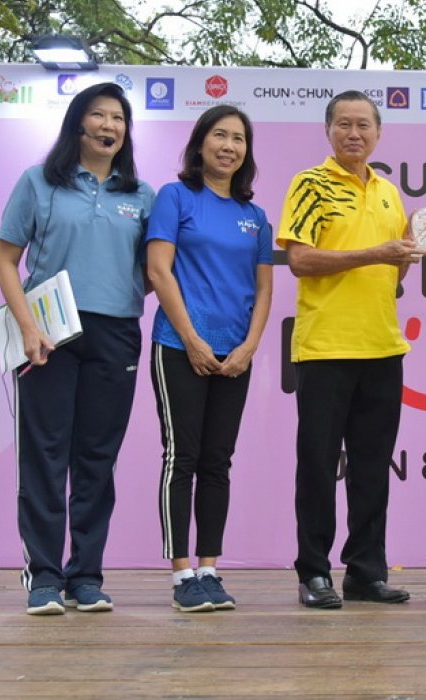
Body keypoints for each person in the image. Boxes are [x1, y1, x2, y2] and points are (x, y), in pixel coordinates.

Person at [0, 83, 155, 615]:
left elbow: (155, 273)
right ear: (77, 125)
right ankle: (43, 575)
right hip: (47, 334)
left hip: (117, 333)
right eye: (99, 115)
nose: (110, 126)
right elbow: (5, 262)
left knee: (96, 458)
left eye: (119, 118)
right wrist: (29, 327)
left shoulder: (142, 195)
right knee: (44, 454)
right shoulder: (38, 182)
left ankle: (85, 576)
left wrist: (119, 291)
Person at [277, 90, 420, 609]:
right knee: (317, 465)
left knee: (372, 466)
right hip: (325, 348)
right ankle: (313, 572)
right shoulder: (309, 184)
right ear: (328, 130)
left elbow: (398, 265)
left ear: (379, 133)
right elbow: (300, 260)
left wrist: (409, 247)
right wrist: (373, 254)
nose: (353, 133)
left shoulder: (387, 191)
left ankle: (365, 572)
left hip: (383, 346)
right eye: (344, 124)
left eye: (363, 125)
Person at [147, 106, 273, 613]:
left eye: (239, 139)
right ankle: (181, 576)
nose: (229, 146)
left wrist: (248, 346)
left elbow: (264, 289)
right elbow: (159, 271)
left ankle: (209, 569)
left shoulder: (256, 216)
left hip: (235, 355)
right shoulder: (175, 197)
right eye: (219, 135)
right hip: (180, 347)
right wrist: (193, 339)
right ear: (200, 143)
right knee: (183, 458)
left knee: (218, 462)